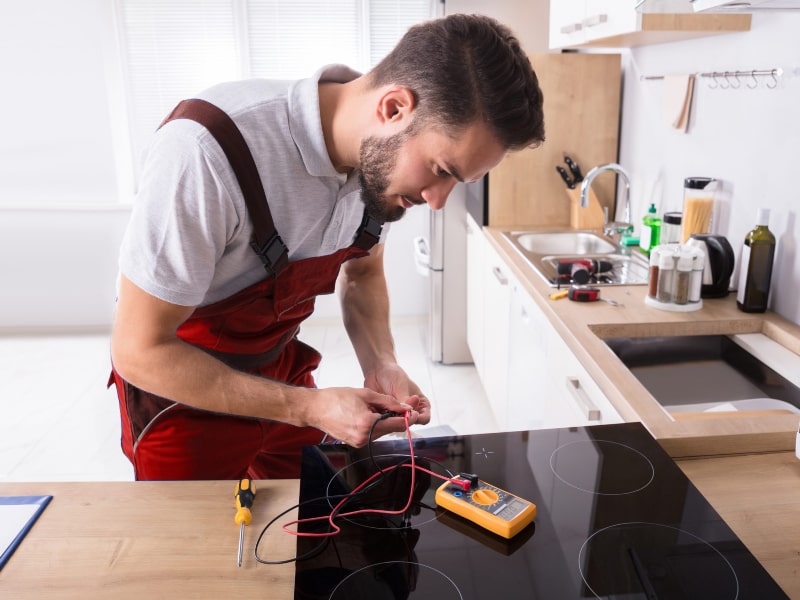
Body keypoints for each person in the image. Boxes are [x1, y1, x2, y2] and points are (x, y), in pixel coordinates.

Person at [109, 13, 545, 481]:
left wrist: (381, 363)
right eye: (442, 170)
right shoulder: (204, 152)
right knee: (198, 551)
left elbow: (363, 273)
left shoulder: (377, 161)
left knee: (309, 532)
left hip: (281, 371)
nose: (437, 202)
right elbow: (138, 350)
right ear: (395, 108)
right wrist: (305, 407)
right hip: (181, 398)